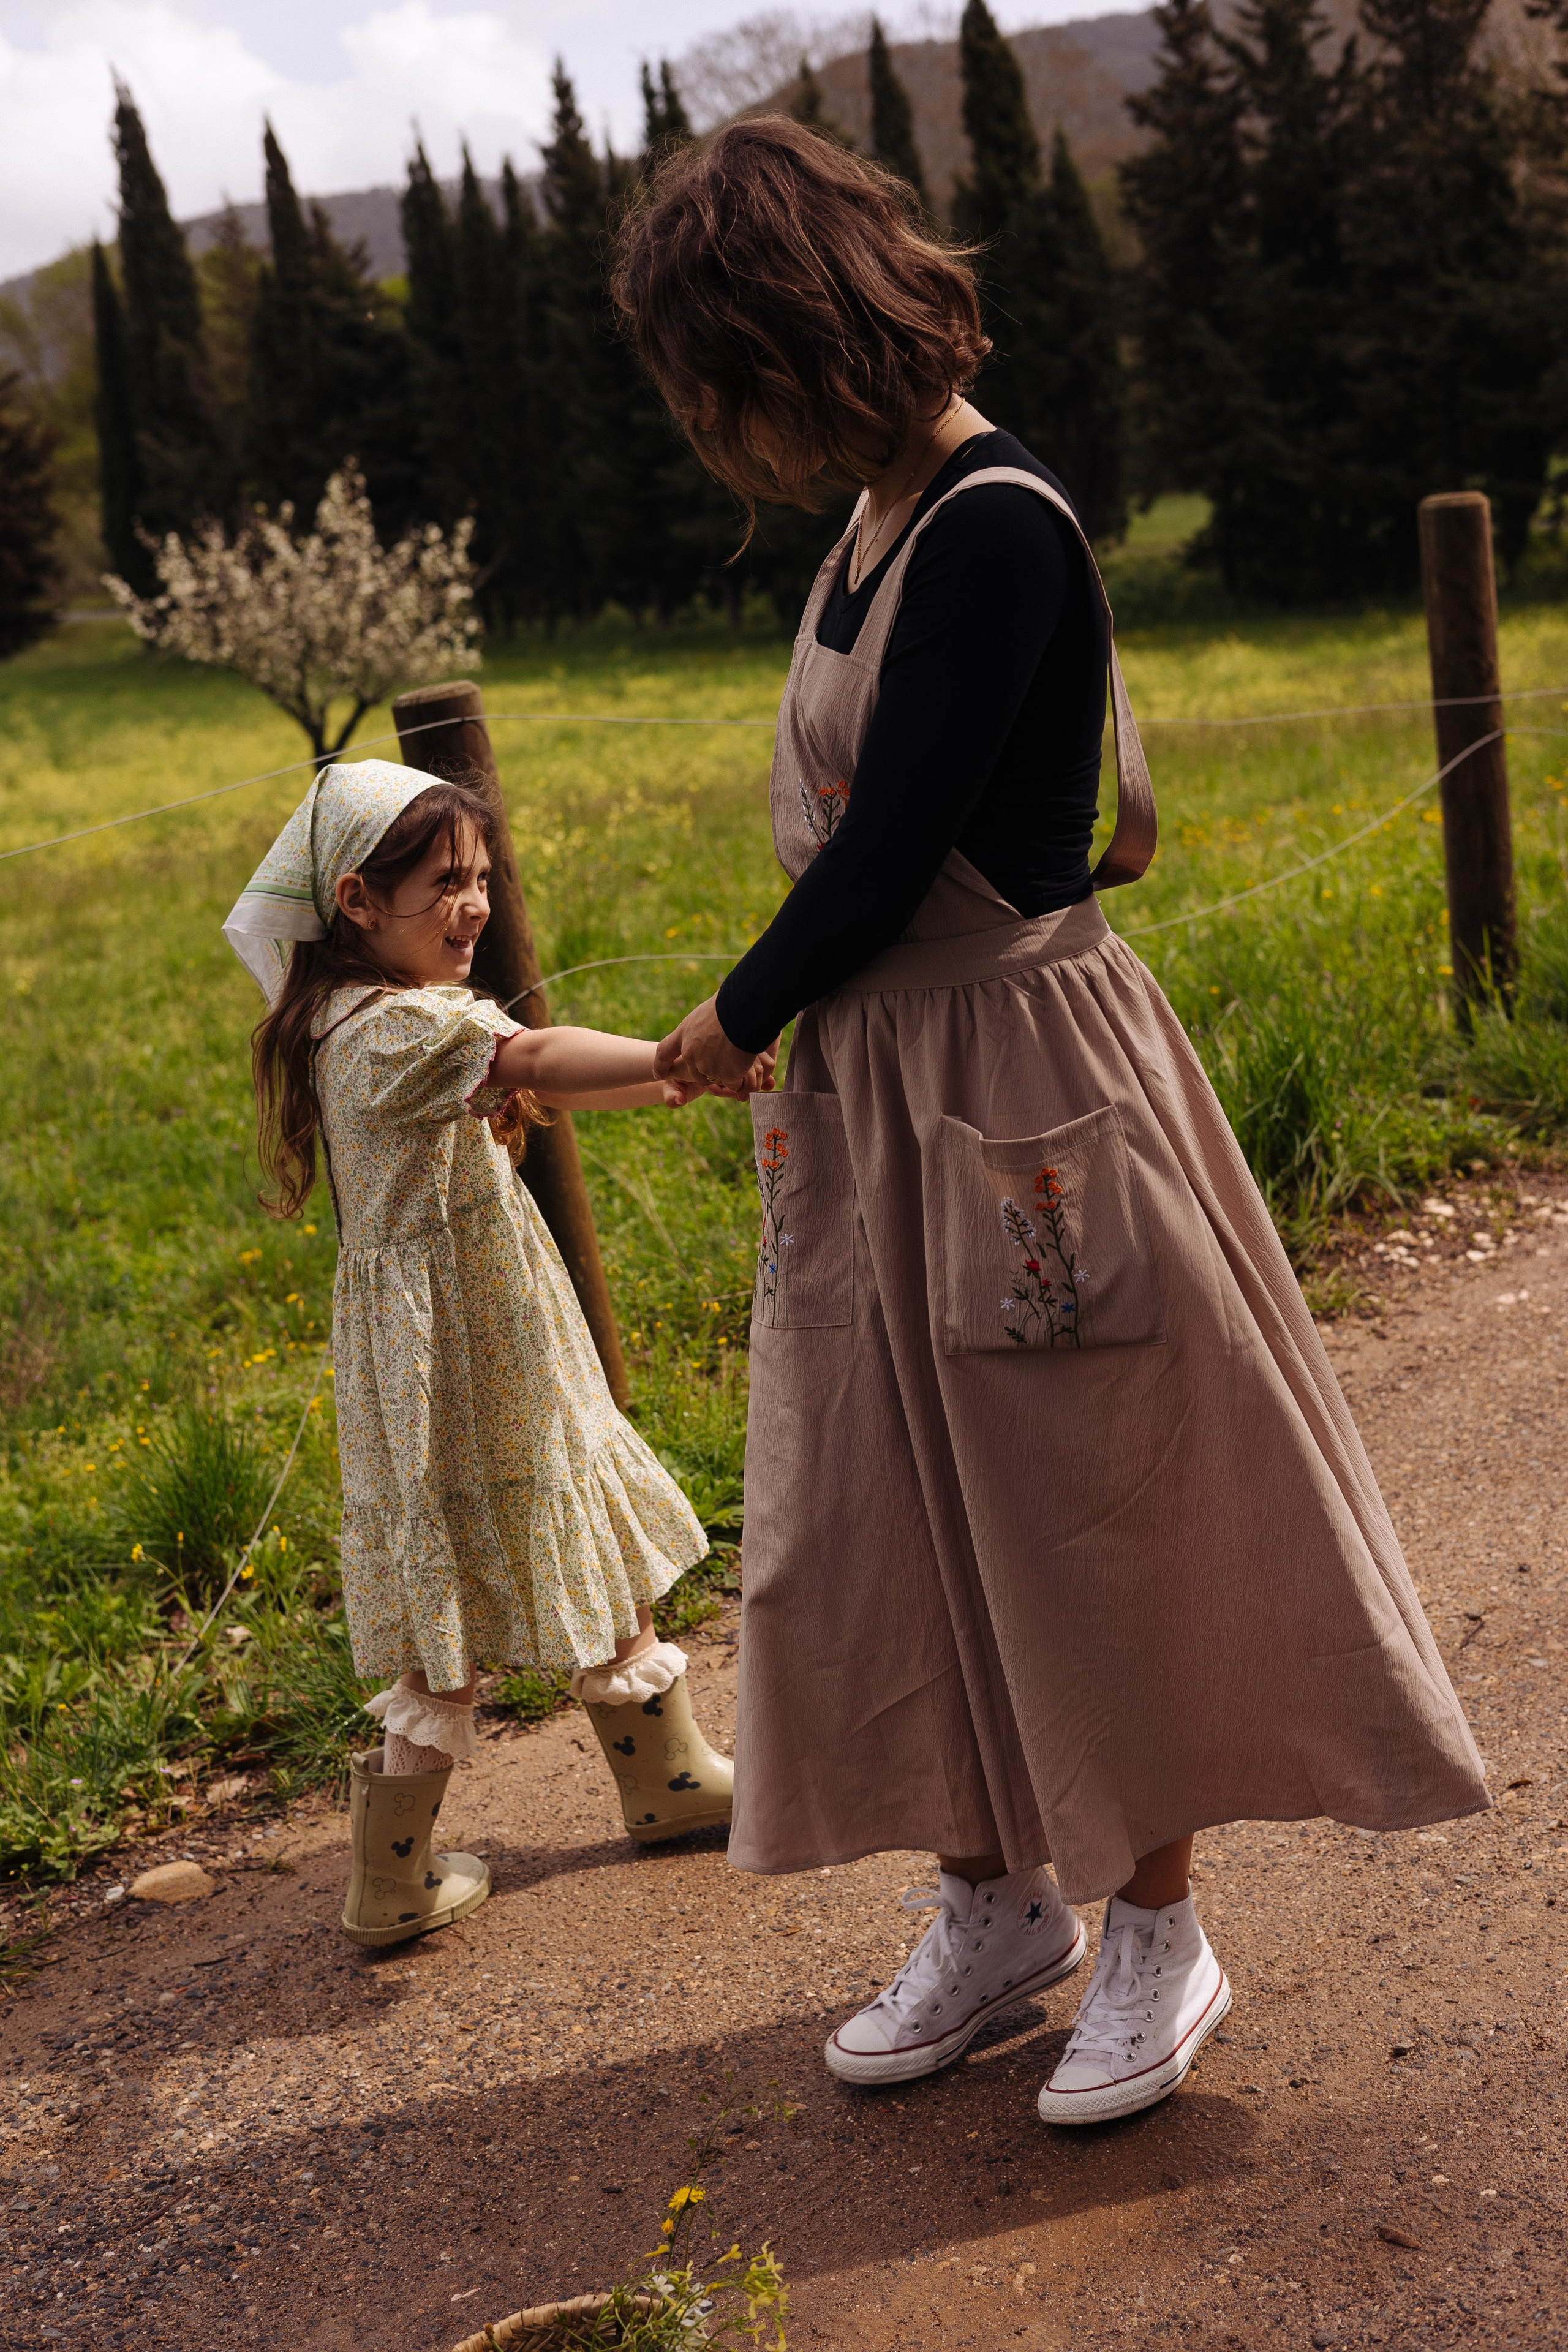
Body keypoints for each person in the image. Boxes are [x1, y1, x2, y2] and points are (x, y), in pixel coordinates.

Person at [613, 118, 1488, 2124]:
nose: (720, 435)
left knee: (1093, 1511)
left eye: (723, 387)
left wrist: (723, 1026)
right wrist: (787, 1046)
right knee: (898, 1508)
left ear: (798, 339)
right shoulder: (869, 515)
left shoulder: (992, 522)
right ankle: (998, 1900)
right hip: (886, 1093)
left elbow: (896, 842)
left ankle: (1158, 1931)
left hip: (1018, 1094)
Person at [226, 761, 753, 1948]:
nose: (473, 905)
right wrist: (672, 1061)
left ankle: (665, 1782)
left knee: (577, 1514)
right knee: (445, 1629)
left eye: (478, 878)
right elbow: (532, 1057)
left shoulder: (350, 1014)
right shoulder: (397, 1027)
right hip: (455, 1356)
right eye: (441, 884)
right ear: (356, 901)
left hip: (486, 1339)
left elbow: (514, 1068)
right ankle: (390, 1879)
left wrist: (652, 1075)